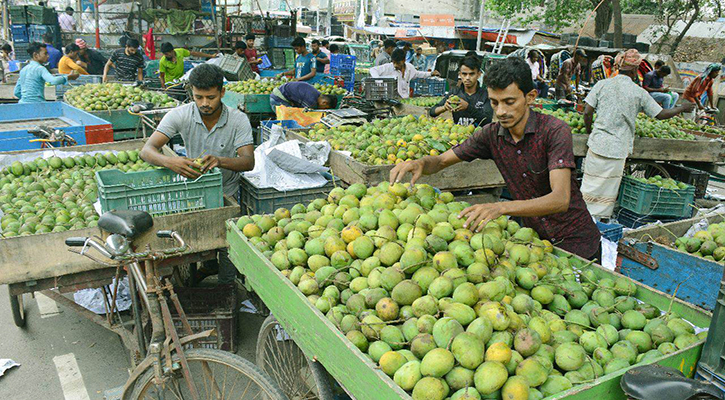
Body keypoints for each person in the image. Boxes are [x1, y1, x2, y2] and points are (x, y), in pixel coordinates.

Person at [390, 57, 601, 260]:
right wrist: (420, 163)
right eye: (494, 102)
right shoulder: (490, 135)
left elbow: (560, 199)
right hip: (533, 246)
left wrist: (500, 207)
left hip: (577, 244)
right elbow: (441, 161)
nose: (501, 111)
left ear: (530, 97)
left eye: (509, 102)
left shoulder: (554, 131)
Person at [139, 64, 254, 286]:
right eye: (198, 97)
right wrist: (170, 161)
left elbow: (248, 162)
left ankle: (226, 287)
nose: (204, 103)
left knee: (227, 244)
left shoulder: (238, 120)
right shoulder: (180, 115)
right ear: (191, 92)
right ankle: (194, 276)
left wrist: (220, 160)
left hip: (226, 193)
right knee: (191, 241)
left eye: (210, 97)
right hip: (194, 192)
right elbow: (147, 150)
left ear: (222, 92)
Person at [580, 49, 694, 220]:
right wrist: (681, 108)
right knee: (608, 190)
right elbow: (660, 114)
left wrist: (590, 132)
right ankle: (600, 220)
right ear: (635, 71)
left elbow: (587, 112)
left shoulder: (602, 84)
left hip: (598, 143)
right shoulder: (638, 92)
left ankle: (582, 216)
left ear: (619, 67)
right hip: (618, 147)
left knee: (590, 185)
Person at [429, 56, 492, 126]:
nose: (467, 78)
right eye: (464, 74)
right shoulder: (455, 92)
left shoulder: (485, 95)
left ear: (479, 74)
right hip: (459, 135)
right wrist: (444, 107)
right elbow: (432, 112)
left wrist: (468, 107)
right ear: (460, 74)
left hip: (479, 135)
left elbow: (488, 120)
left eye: (472, 74)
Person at [15, 42, 79, 103]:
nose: (48, 56)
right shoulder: (40, 69)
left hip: (22, 103)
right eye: (45, 54)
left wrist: (27, 100)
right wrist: (68, 77)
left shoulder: (24, 70)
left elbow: (16, 92)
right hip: (37, 104)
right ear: (36, 55)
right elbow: (54, 81)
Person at [369, 48, 440, 99]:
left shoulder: (410, 68)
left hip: (405, 98)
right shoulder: (389, 67)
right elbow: (373, 70)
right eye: (394, 62)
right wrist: (379, 82)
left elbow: (417, 74)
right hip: (393, 99)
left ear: (404, 60)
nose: (395, 65)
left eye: (397, 63)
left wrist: (430, 74)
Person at [270, 81, 338, 110]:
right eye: (325, 108)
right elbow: (305, 113)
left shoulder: (316, 94)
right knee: (290, 117)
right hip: (277, 98)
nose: (323, 109)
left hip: (281, 94)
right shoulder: (311, 100)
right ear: (324, 102)